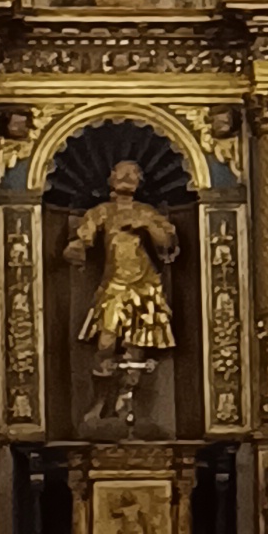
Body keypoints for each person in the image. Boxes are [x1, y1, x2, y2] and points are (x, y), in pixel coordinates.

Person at [65, 160, 177, 376]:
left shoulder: (147, 212)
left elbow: (166, 242)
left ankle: (128, 389)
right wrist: (77, 247)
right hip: (115, 283)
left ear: (139, 180)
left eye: (132, 173)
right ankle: (102, 384)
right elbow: (82, 239)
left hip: (145, 283)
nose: (127, 177)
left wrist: (147, 226)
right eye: (122, 173)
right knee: (106, 338)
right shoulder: (103, 212)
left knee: (137, 345)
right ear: (112, 178)